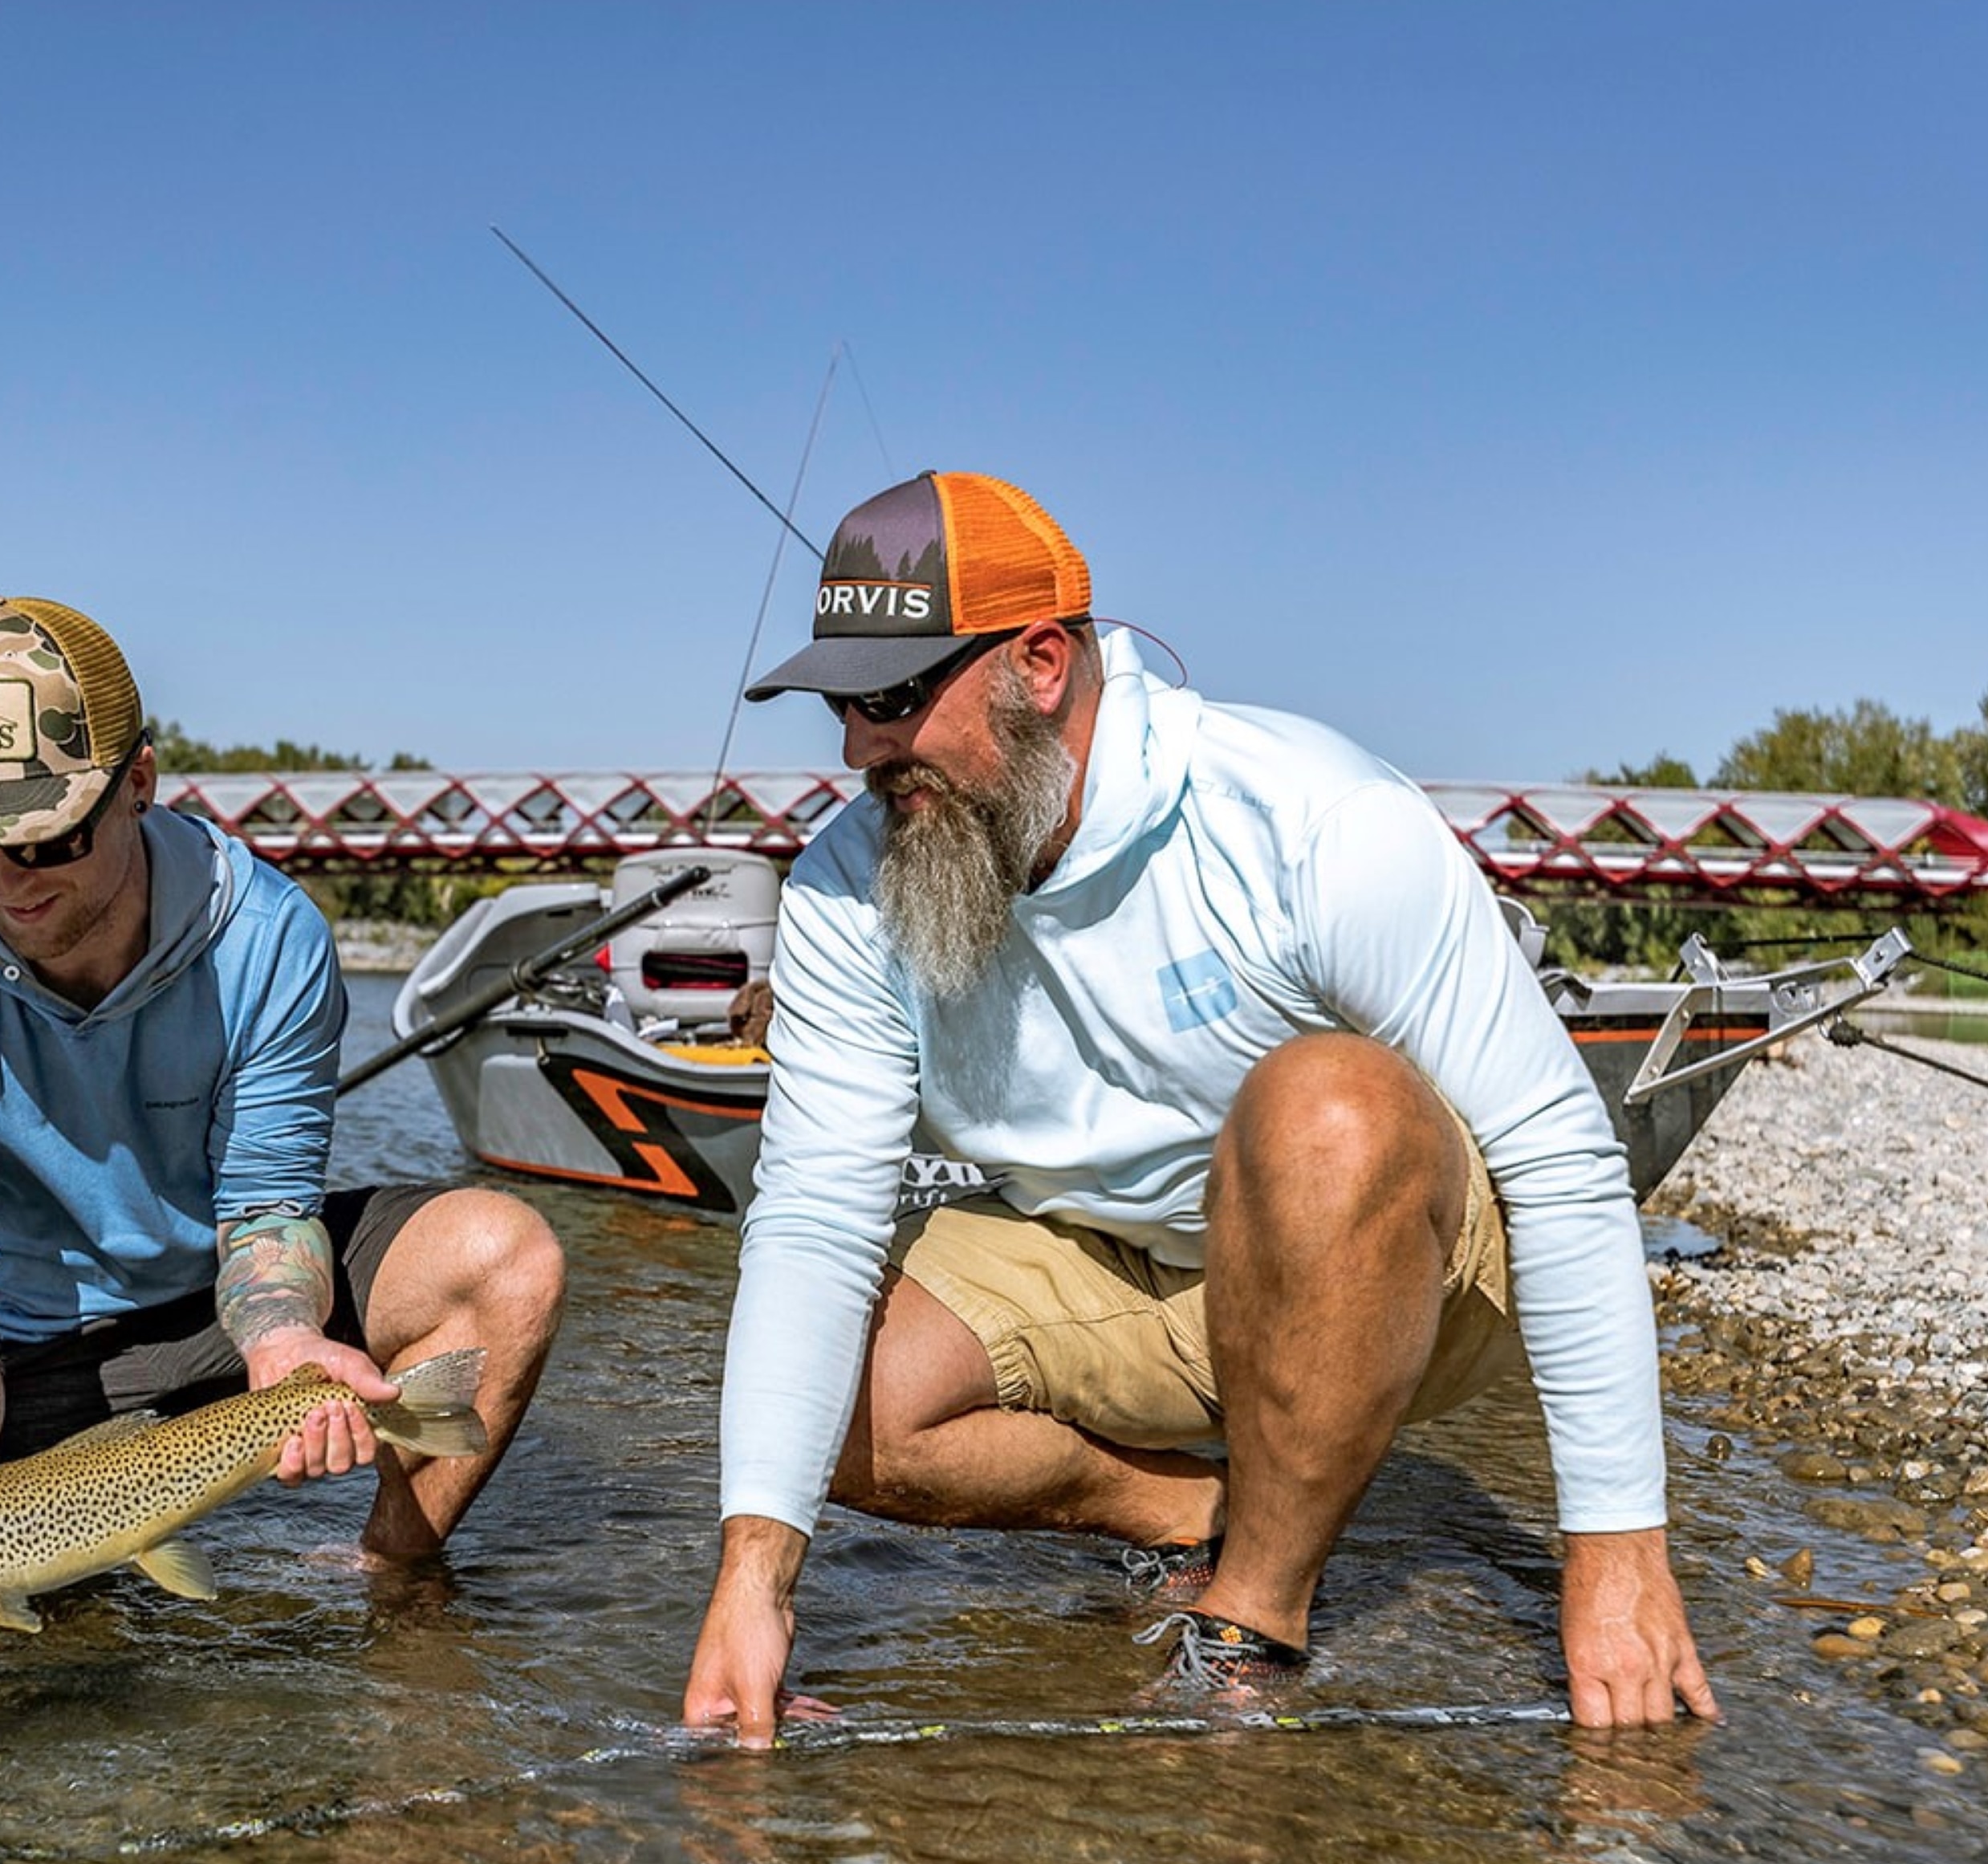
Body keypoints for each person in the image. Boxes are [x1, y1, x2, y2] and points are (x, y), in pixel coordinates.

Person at [680, 472, 1716, 1743]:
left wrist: (1612, 1549)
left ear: (1040, 664)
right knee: (801, 1412)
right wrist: (750, 1581)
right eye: (841, 704)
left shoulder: (1310, 821)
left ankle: (1253, 1610)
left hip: (1384, 1272)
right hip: (1105, 1261)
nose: (856, 750)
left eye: (893, 701)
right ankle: (1180, 1506)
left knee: (1328, 1105)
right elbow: (809, 1222)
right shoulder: (849, 886)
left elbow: (1561, 1158)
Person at [0, 596, 565, 1644]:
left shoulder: (268, 935)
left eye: (43, 838)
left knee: (506, 1257)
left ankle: (390, 1578)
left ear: (138, 783)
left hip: (229, 1305)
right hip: (37, 1352)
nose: (5, 884)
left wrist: (286, 1342)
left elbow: (266, 1205)